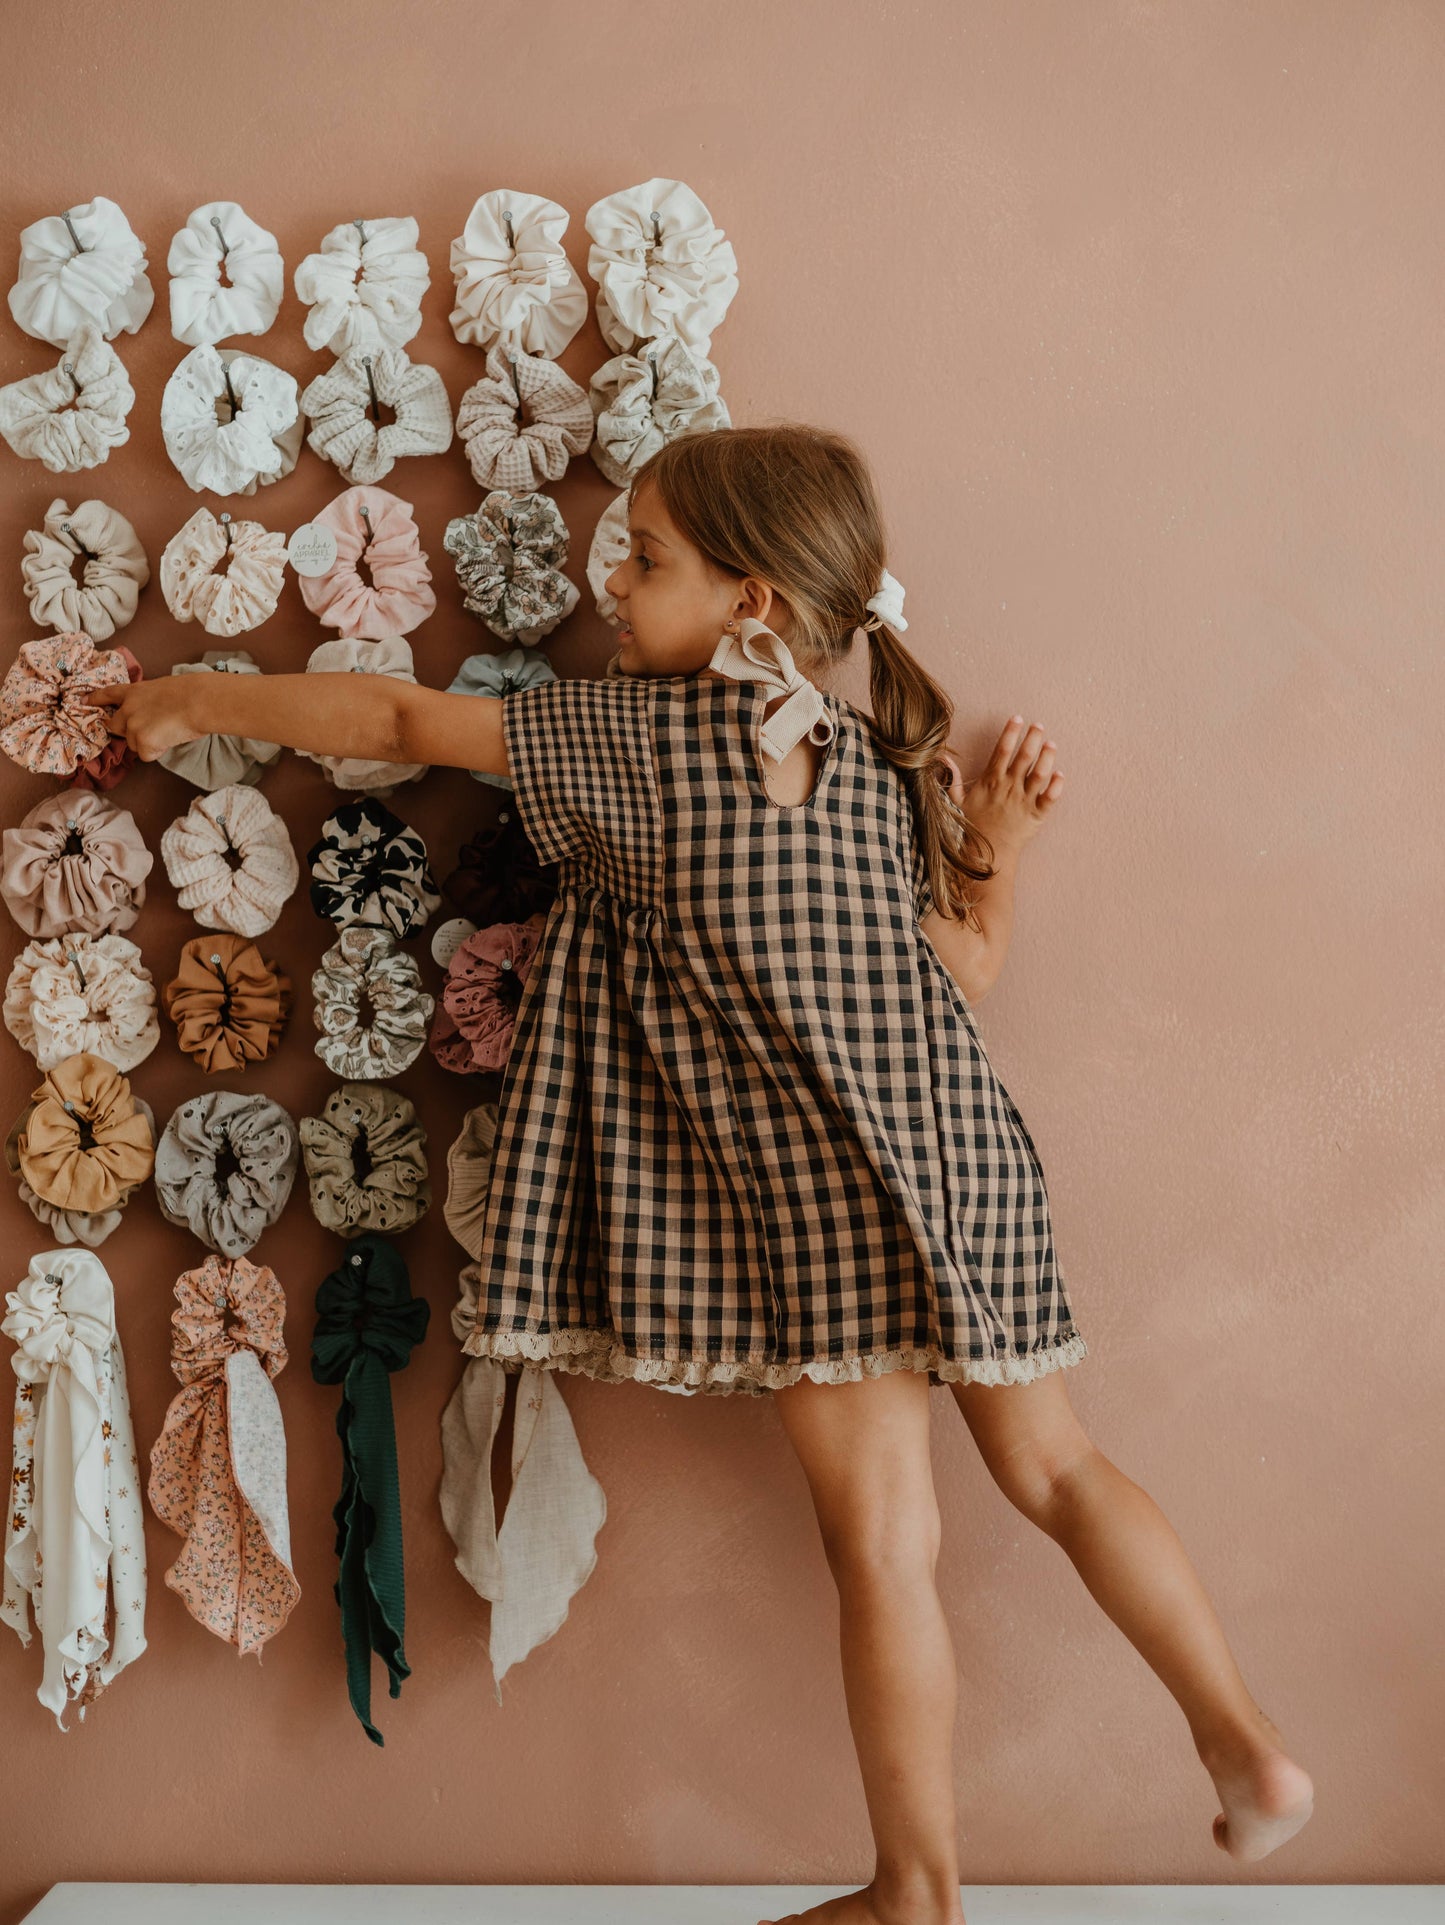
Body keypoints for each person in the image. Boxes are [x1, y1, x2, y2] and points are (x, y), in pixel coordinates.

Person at [86, 423, 1313, 1925]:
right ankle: (1246, 1748)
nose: (612, 578)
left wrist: (189, 698)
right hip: (964, 1165)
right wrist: (992, 844)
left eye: (647, 555)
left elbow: (400, 719)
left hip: (820, 1204)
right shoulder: (872, 772)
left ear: (753, 603)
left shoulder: (638, 739)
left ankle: (914, 1894)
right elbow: (967, 968)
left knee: (884, 1544)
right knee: (1057, 1468)